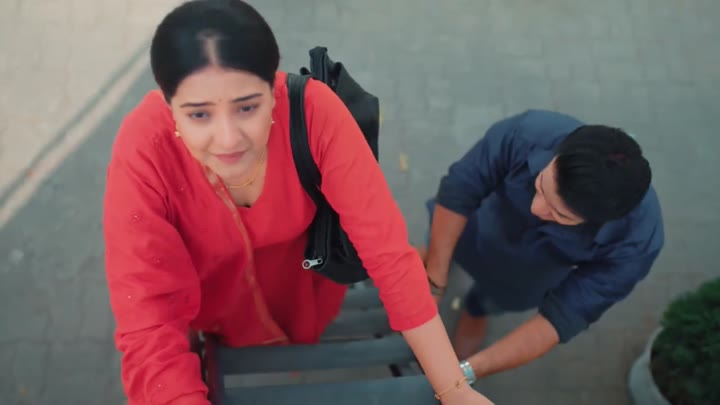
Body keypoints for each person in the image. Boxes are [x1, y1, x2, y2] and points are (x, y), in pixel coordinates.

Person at [102, 1, 492, 404]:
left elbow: (389, 257)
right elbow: (150, 320)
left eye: (247, 107)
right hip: (215, 302)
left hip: (305, 289)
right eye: (199, 115)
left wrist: (455, 390)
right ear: (170, 106)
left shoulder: (315, 113)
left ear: (273, 89)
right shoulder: (145, 149)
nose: (229, 139)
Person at [418, 109, 664, 379]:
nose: (536, 208)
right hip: (477, 222)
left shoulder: (636, 242)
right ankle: (434, 262)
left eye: (560, 215)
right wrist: (436, 277)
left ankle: (476, 310)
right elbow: (460, 190)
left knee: (493, 300)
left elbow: (563, 314)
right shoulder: (528, 133)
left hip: (526, 276)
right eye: (541, 186)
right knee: (441, 246)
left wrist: (466, 373)